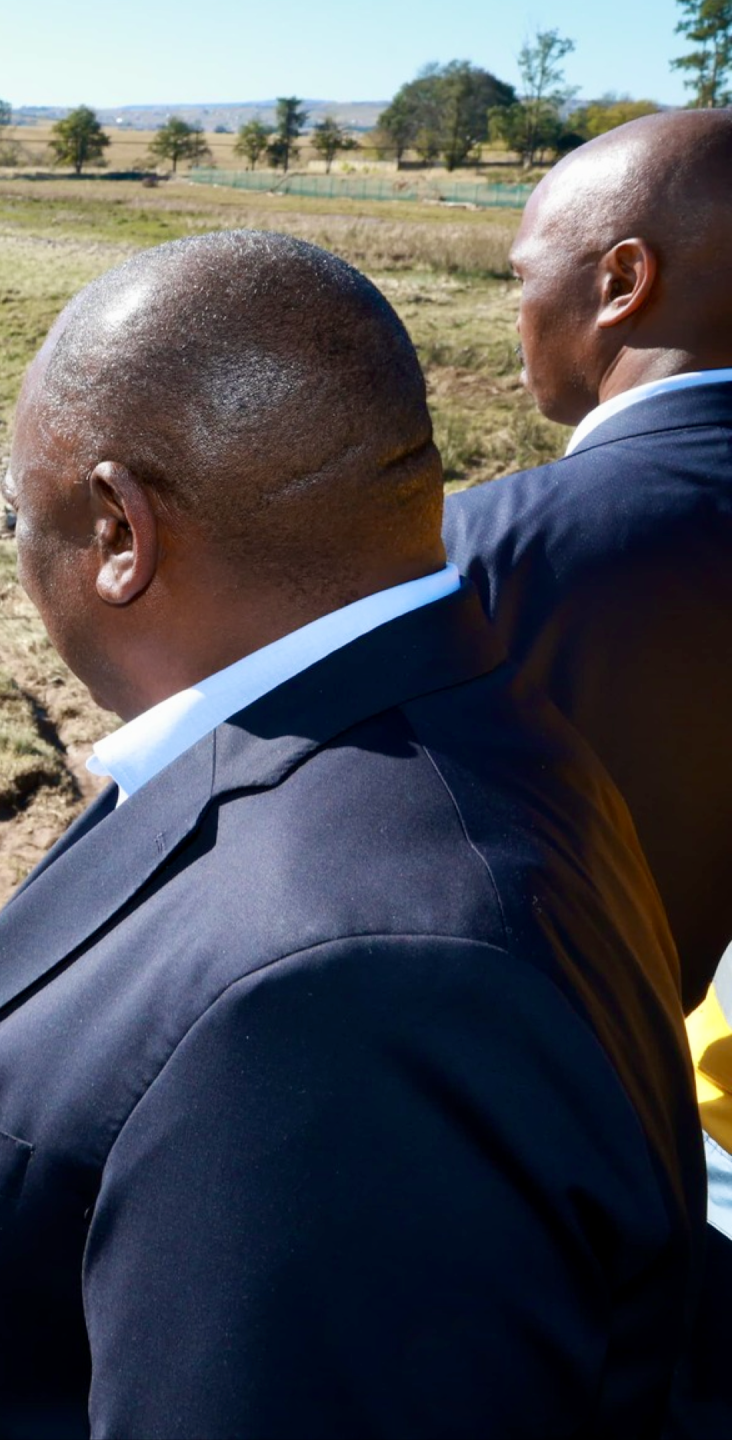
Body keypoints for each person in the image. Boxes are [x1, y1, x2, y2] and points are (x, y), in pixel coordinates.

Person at [0, 232, 699, 1438]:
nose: (15, 552)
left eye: (18, 513)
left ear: (120, 534)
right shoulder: (424, 732)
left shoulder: (356, 1000)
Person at [441, 109, 732, 1230]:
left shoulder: (481, 551)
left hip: (522, 1163)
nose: (514, 311)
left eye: (523, 276)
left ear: (621, 282)